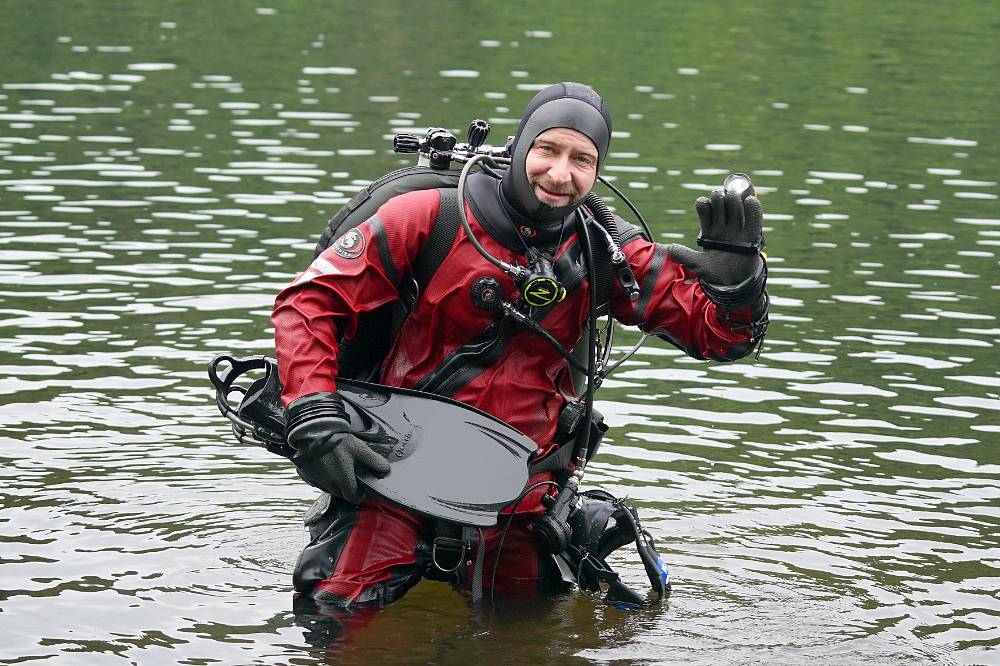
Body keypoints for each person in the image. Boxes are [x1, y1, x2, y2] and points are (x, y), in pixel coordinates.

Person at [271, 82, 768, 612]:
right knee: (337, 619)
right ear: (521, 146)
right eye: (548, 150)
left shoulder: (604, 248)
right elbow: (308, 305)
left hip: (522, 489)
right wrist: (316, 416)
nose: (560, 174)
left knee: (528, 633)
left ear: (598, 170)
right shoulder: (429, 218)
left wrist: (740, 277)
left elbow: (720, 338)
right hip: (396, 472)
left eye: (582, 159)